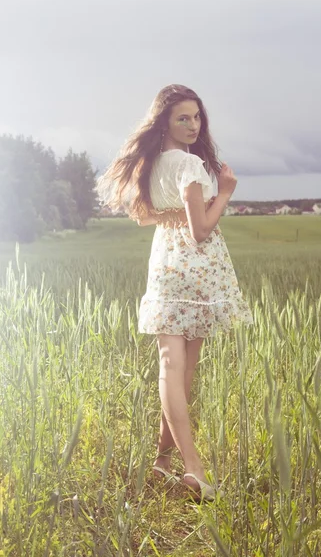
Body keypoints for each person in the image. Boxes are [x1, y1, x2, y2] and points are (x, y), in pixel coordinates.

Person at [96, 84, 253, 500]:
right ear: (164, 120)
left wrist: (175, 215)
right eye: (182, 117)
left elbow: (144, 216)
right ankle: (194, 468)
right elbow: (202, 230)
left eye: (197, 117)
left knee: (176, 367)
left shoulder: (151, 164)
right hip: (198, 269)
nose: (192, 125)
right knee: (179, 368)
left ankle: (164, 461)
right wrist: (226, 192)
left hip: (165, 262)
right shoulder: (190, 165)